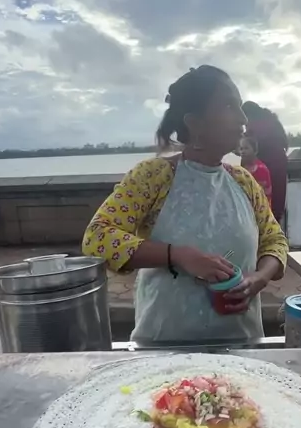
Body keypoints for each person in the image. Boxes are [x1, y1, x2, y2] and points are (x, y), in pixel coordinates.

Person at [83, 65, 288, 343]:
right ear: (195, 123)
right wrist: (178, 256)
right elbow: (98, 238)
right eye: (229, 105)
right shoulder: (153, 176)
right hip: (164, 350)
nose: (243, 118)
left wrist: (260, 278)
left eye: (240, 107)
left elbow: (274, 240)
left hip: (241, 348)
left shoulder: (244, 181)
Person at [242, 101, 288, 223]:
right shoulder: (270, 118)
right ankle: (276, 222)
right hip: (280, 160)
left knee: (270, 200)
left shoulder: (257, 123)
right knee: (277, 198)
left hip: (271, 163)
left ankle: (272, 224)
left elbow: (253, 142)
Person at [240, 135, 272, 203]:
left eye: (246, 148)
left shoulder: (262, 170)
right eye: (241, 149)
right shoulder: (239, 169)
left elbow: (266, 193)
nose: (243, 151)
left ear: (255, 151)